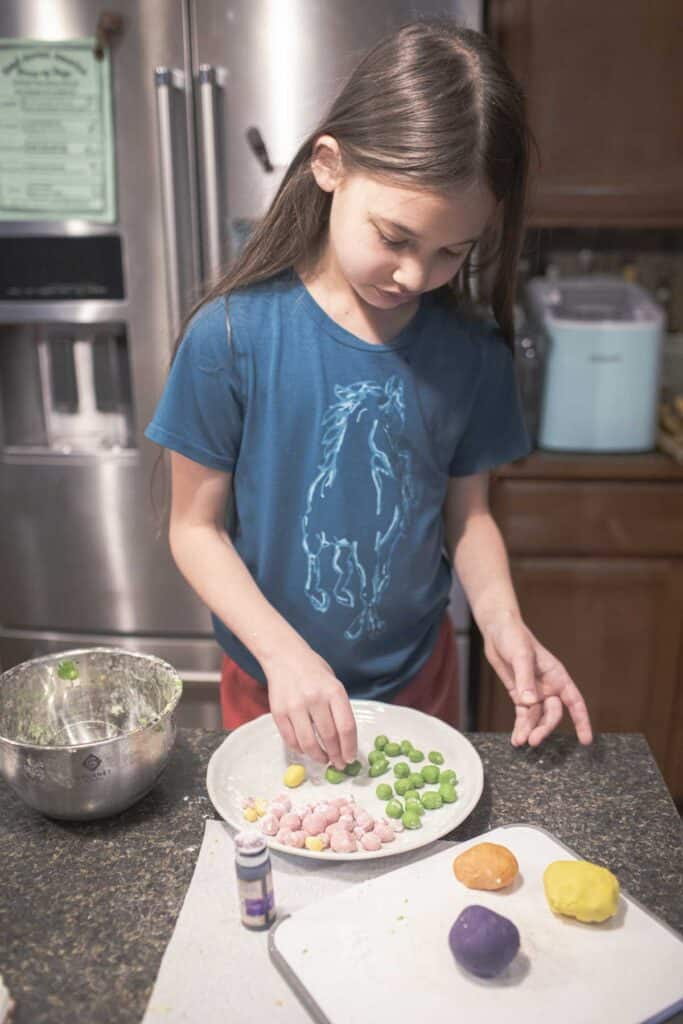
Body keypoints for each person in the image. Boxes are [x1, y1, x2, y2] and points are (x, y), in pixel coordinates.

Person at [146, 19, 593, 770]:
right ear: (329, 166)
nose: (416, 275)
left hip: (418, 683)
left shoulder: (470, 350)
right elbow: (194, 529)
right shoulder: (231, 337)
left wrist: (504, 623)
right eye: (394, 237)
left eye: (452, 250)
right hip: (273, 683)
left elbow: (469, 516)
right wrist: (284, 656)